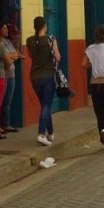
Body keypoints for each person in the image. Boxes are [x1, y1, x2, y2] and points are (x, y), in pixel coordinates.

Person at [26, 16, 61, 147]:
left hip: (34, 76)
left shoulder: (29, 41)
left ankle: (50, 133)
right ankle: (41, 134)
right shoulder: (50, 39)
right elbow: (58, 57)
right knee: (46, 105)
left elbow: (31, 56)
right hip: (48, 76)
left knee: (44, 105)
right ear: (45, 26)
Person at [0, 22, 21, 133]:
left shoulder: (7, 42)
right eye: (4, 28)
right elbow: (6, 57)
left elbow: (15, 54)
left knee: (8, 99)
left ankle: (6, 123)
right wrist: (11, 56)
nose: (6, 30)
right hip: (3, 74)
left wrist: (10, 56)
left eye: (7, 28)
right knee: (1, 100)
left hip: (11, 73)